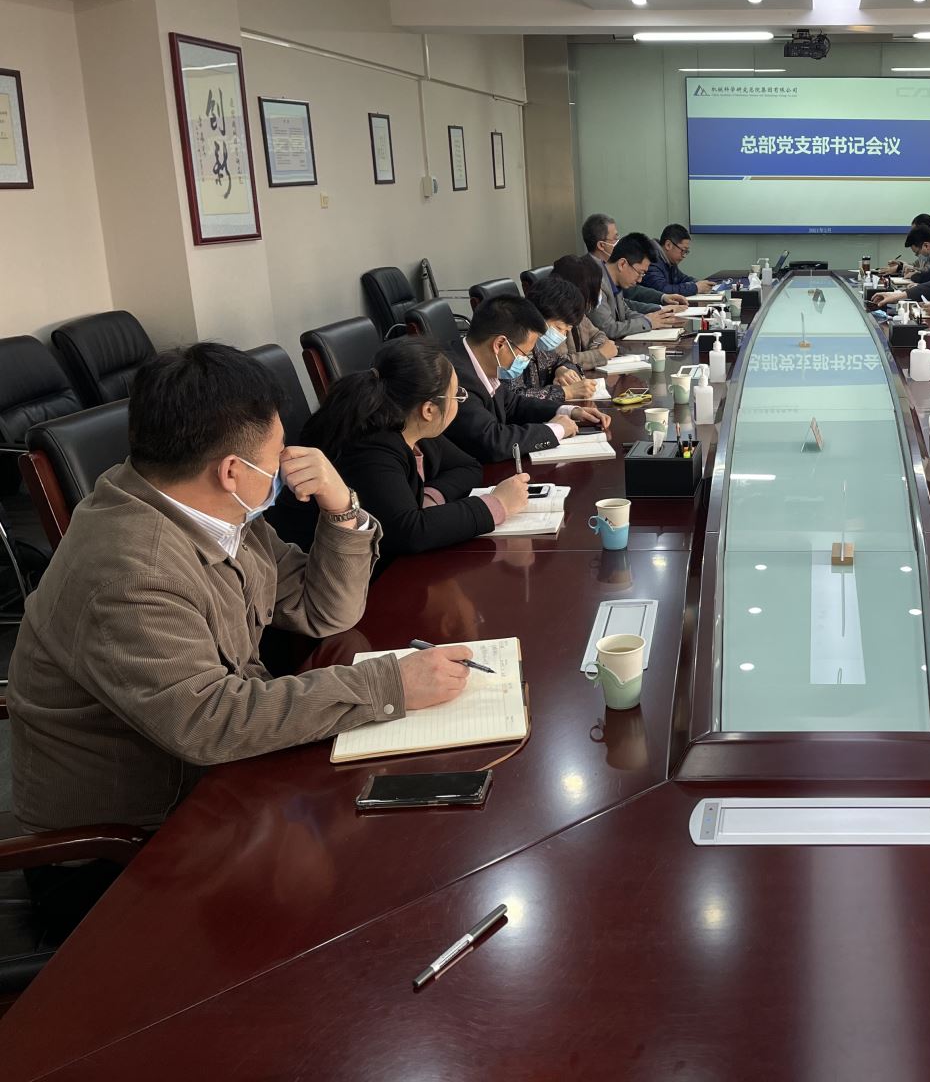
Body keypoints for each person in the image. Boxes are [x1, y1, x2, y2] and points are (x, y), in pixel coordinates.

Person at [7, 343, 473, 933]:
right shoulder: (132, 571)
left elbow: (324, 609)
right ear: (232, 471)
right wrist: (388, 685)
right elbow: (210, 723)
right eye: (277, 455)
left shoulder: (206, 508)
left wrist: (341, 508)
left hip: (216, 786)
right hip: (126, 850)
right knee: (359, 893)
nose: (287, 466)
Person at [281, 338, 531, 564]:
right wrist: (497, 504)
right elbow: (408, 533)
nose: (460, 399)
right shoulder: (370, 444)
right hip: (330, 573)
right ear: (429, 410)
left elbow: (468, 467)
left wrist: (429, 499)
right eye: (457, 395)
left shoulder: (409, 424)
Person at [441, 294, 602, 463]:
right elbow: (492, 442)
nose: (526, 360)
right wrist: (556, 429)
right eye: (525, 354)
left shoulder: (477, 361)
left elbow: (513, 404)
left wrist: (567, 411)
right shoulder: (453, 377)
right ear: (499, 345)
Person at [523, 276, 613, 434]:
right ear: (537, 316)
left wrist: (562, 369)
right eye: (559, 328)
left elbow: (559, 360)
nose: (562, 336)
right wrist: (567, 392)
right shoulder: (513, 345)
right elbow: (514, 399)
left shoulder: (540, 344)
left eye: (567, 331)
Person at [592, 233, 683, 340]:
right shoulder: (596, 284)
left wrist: (654, 319)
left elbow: (625, 312)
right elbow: (608, 329)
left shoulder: (615, 282)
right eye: (640, 273)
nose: (640, 280)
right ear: (622, 264)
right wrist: (648, 322)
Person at [549, 253, 618, 369]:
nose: (599, 293)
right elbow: (558, 363)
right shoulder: (553, 318)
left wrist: (597, 348)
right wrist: (599, 354)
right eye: (596, 289)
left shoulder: (578, 312)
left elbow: (598, 334)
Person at [644, 224, 711, 295]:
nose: (684, 256)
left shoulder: (669, 260)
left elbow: (682, 279)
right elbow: (662, 290)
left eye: (686, 252)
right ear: (668, 245)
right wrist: (695, 288)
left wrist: (701, 283)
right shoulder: (651, 260)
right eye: (683, 250)